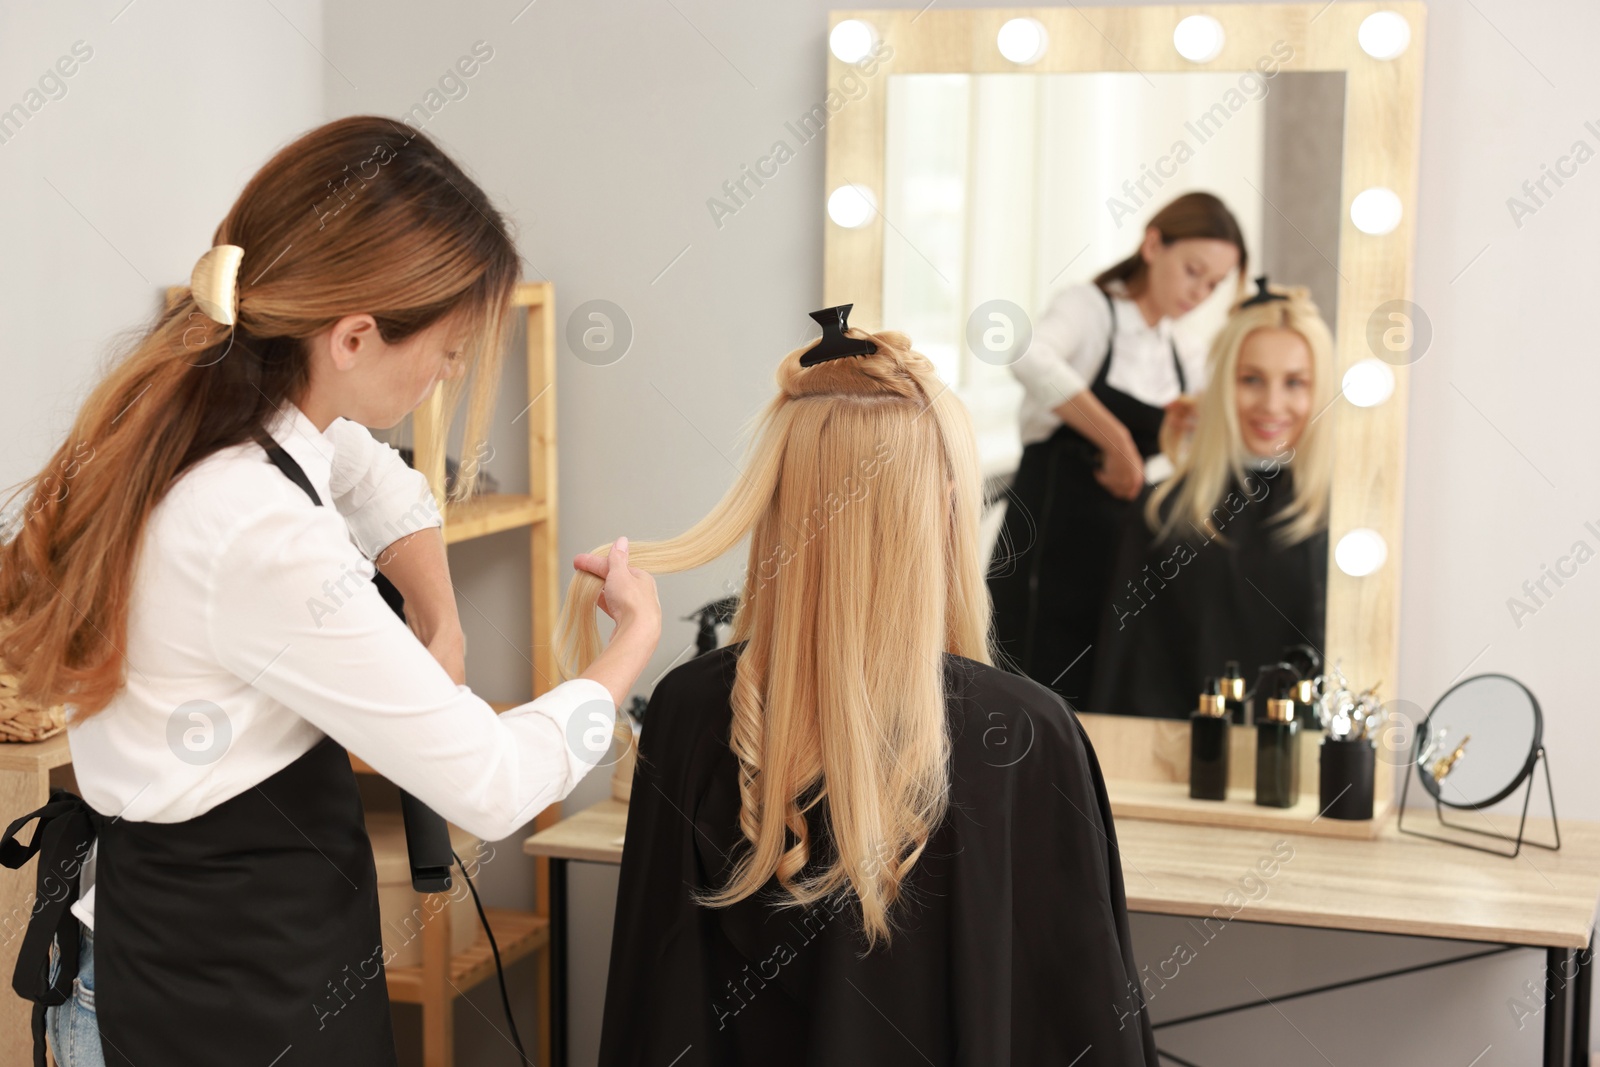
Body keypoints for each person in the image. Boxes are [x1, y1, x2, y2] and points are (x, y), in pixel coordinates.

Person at [0, 116, 661, 1067]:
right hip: (208, 1005)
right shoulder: (258, 528)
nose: (451, 372)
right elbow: (491, 782)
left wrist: (441, 620)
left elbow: (377, 477)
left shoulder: (217, 408)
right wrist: (628, 645)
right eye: (447, 349)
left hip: (211, 960)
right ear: (353, 336)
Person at [568, 307, 1159, 1066]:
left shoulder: (689, 709)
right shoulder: (1026, 732)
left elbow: (656, 1015)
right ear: (941, 504)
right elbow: (1083, 1030)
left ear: (777, 503)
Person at [988, 191, 1246, 704]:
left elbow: (1187, 457)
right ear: (1153, 245)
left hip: (1120, 554)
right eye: (1194, 270)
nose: (1201, 292)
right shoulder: (1090, 309)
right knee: (1032, 689)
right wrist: (1115, 438)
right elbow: (1026, 354)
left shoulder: (1183, 351)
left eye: (1214, 284)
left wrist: (1182, 433)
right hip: (1047, 540)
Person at [1090, 280, 1335, 719]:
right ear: (1222, 384)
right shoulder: (1163, 515)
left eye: (1295, 382)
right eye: (1251, 380)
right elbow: (1127, 680)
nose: (1272, 404)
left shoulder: (1350, 526)